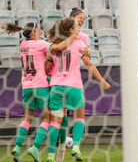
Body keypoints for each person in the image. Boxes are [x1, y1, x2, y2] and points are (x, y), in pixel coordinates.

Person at [0, 22, 79, 162]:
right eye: (38, 28)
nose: (40, 30)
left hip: (26, 86)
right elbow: (60, 47)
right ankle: (35, 148)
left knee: (27, 118)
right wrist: (72, 37)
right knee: (48, 119)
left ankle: (17, 147)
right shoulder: (40, 44)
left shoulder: (22, 45)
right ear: (32, 33)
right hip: (41, 86)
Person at [46, 17, 110, 162]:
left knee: (55, 122)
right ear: (71, 30)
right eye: (76, 25)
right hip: (74, 85)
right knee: (79, 117)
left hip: (56, 86)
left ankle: (50, 155)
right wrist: (87, 51)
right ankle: (76, 146)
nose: (79, 27)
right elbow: (87, 53)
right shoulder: (77, 43)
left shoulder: (54, 44)